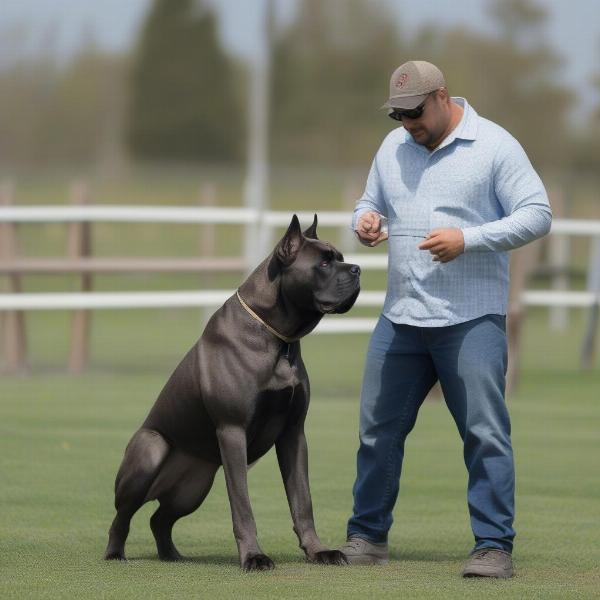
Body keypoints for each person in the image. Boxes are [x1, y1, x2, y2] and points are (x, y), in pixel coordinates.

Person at [339, 60, 552, 578]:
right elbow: (370, 201)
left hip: (471, 319)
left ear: (442, 97)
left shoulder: (495, 146)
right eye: (398, 115)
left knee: (484, 434)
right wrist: (365, 221)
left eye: (414, 113)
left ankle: (493, 546)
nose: (407, 124)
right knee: (376, 433)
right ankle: (366, 537)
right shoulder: (393, 148)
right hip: (402, 318)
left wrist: (469, 238)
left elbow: (537, 213)